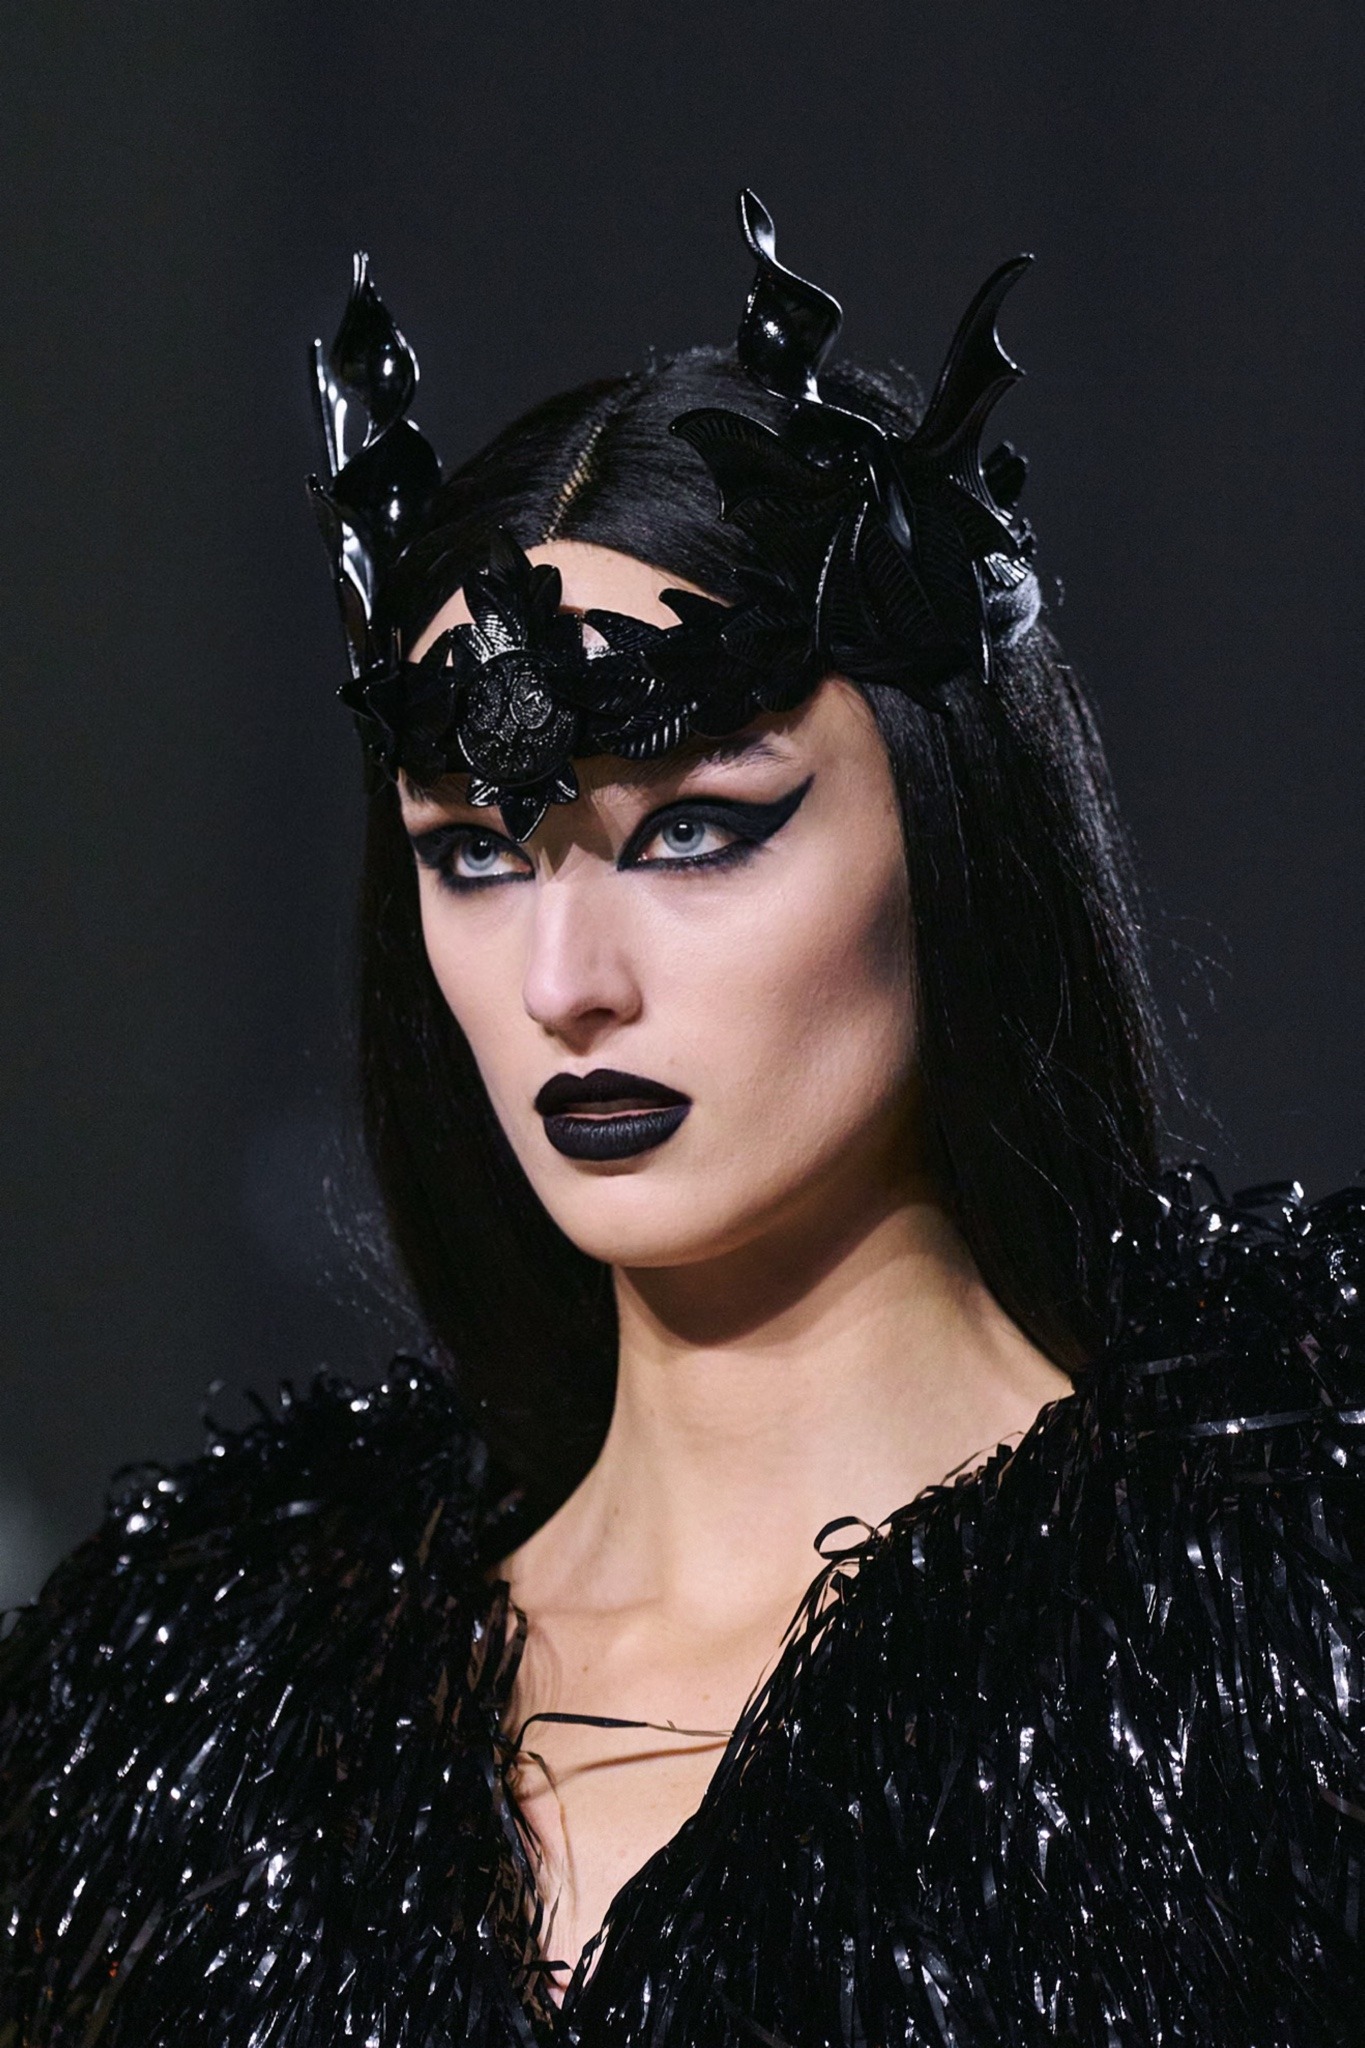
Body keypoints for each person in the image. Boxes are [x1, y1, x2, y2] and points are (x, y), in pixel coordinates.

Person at [2, 192, 1361, 2046]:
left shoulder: (1287, 1637)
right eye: (476, 856)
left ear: (953, 833)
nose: (566, 981)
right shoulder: (186, 1715)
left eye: (696, 831)